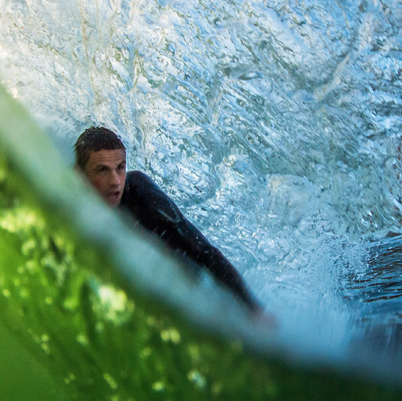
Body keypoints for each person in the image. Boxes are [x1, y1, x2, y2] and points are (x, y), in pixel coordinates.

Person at [74, 126, 262, 313]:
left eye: (120, 168)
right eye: (102, 170)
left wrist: (253, 310)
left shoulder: (142, 196)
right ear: (81, 174)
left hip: (182, 275)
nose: (115, 181)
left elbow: (205, 252)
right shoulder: (69, 192)